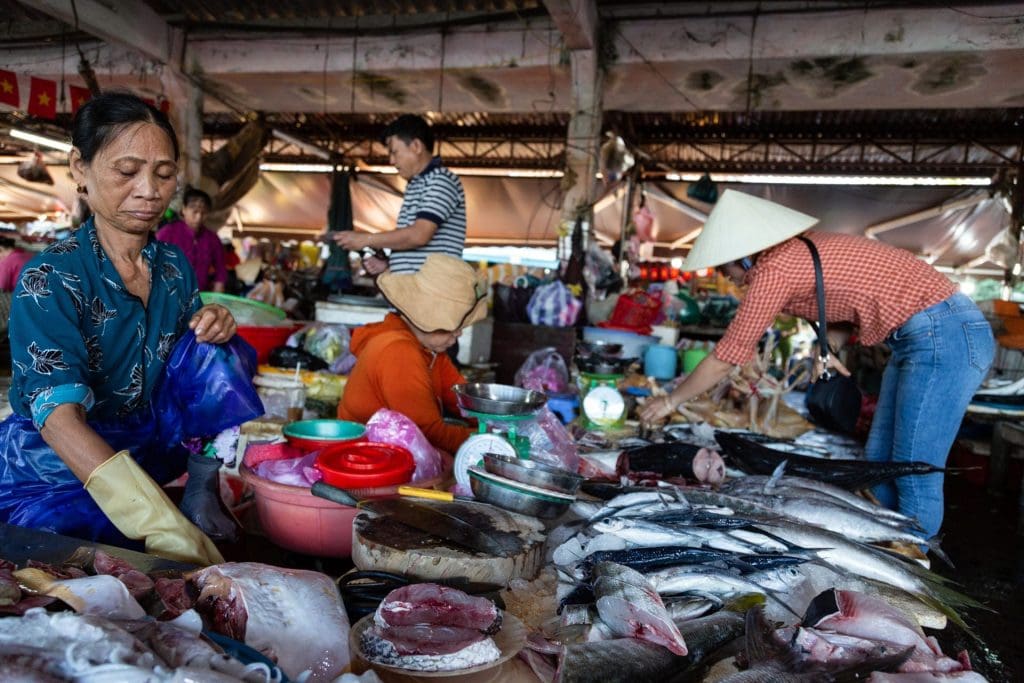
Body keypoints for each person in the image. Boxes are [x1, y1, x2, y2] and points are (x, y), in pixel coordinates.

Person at [638, 189, 995, 543]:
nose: (725, 276)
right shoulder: (799, 251)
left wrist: (670, 401)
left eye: (724, 266)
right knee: (878, 462)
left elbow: (728, 356)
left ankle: (914, 566)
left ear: (745, 255)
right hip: (922, 336)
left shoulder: (774, 269)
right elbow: (843, 303)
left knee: (914, 467)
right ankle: (885, 544)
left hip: (943, 335)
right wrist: (827, 347)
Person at [0, 92, 241, 565]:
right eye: (127, 172)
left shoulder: (173, 267)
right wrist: (154, 519)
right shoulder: (51, 279)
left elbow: (191, 373)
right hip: (56, 463)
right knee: (88, 564)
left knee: (223, 349)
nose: (149, 190)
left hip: (143, 442)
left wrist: (215, 326)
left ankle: (200, 488)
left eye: (164, 174)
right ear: (80, 168)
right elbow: (61, 422)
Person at [337, 254, 486, 454]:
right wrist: (490, 441)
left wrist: (497, 422)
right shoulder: (399, 352)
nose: (459, 333)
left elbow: (464, 400)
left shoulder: (430, 350)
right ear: (423, 318)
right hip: (365, 461)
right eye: (454, 325)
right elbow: (427, 433)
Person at [325, 114, 466, 275]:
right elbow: (414, 245)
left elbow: (419, 235)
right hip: (415, 291)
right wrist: (389, 264)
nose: (391, 161)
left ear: (416, 146)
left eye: (395, 152)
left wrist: (365, 239)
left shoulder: (440, 180)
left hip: (431, 293)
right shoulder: (416, 185)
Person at [156, 187, 228, 292]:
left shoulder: (212, 239)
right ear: (184, 209)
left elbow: (220, 271)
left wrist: (216, 300)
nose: (199, 217)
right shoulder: (167, 233)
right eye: (194, 211)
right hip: (168, 294)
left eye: (203, 213)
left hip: (199, 296)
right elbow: (150, 262)